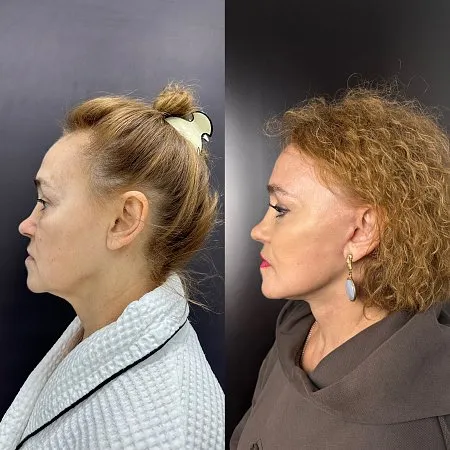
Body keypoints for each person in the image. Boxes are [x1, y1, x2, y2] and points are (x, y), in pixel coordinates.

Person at [0, 84, 224, 449]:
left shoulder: (159, 431)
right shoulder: (101, 335)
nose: (26, 225)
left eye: (45, 201)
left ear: (124, 220)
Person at [231, 87, 450, 449]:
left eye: (281, 209)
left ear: (362, 232)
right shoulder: (295, 336)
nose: (258, 230)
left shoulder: (424, 421)